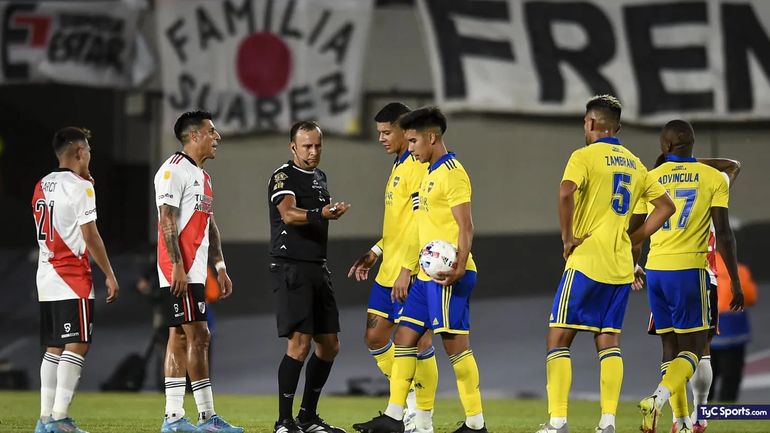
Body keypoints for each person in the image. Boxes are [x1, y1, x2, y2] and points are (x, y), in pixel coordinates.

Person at [537, 95, 675, 433]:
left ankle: (557, 423)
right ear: (618, 127)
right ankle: (608, 422)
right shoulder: (635, 164)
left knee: (558, 339)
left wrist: (567, 238)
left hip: (586, 261)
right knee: (609, 341)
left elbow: (566, 192)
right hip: (619, 268)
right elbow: (666, 207)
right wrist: (633, 239)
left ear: (591, 123)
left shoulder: (583, 156)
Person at [353, 106, 486, 433]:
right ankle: (396, 417)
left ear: (431, 138)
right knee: (404, 337)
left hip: (447, 274)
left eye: (413, 141)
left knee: (455, 348)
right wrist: (388, 255)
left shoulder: (453, 172)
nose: (410, 148)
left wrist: (458, 266)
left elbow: (466, 226)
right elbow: (416, 226)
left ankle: (475, 424)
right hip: (426, 276)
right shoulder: (429, 172)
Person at [632, 120, 744, 433]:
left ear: (665, 145)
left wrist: (631, 265)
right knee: (696, 349)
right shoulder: (713, 177)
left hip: (656, 271)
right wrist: (734, 280)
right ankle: (663, 401)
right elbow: (724, 232)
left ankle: (680, 423)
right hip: (692, 270)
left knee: (670, 349)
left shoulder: (650, 178)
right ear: (691, 145)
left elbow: (634, 232)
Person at [348, 102, 438, 433]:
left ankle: (422, 417)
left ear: (404, 130)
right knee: (374, 337)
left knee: (418, 342)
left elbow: (420, 222)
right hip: (389, 268)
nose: (382, 139)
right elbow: (399, 224)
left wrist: (407, 269)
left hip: (409, 271)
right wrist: (376, 251)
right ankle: (409, 401)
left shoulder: (416, 166)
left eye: (387, 132)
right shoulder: (398, 165)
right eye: (379, 133)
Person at [154, 110, 242, 433]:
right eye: (211, 131)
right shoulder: (172, 170)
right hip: (180, 268)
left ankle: (174, 418)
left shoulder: (202, 176)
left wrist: (220, 266)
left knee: (179, 336)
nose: (217, 137)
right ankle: (206, 417)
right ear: (194, 136)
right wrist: (177, 265)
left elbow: (210, 226)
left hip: (194, 269)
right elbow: (167, 218)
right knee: (199, 335)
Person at [33, 127, 120, 433]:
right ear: (80, 152)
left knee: (55, 346)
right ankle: (58, 418)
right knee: (78, 343)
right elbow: (90, 235)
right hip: (71, 275)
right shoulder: (80, 187)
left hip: (46, 273)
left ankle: (45, 419)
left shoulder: (42, 184)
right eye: (89, 152)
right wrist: (109, 274)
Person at [267, 120, 351, 433]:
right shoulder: (283, 176)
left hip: (318, 266)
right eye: (307, 146)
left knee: (329, 345)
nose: (313, 151)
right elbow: (288, 214)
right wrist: (322, 214)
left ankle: (307, 417)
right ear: (293, 147)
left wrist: (327, 213)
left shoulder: (319, 177)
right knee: (299, 345)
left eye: (317, 145)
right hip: (292, 267)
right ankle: (284, 422)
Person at [709, 245, 758, 403]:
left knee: (706, 379)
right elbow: (751, 296)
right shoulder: (740, 271)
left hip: (706, 332)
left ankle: (701, 412)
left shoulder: (701, 270)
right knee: (731, 379)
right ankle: (727, 410)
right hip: (733, 333)